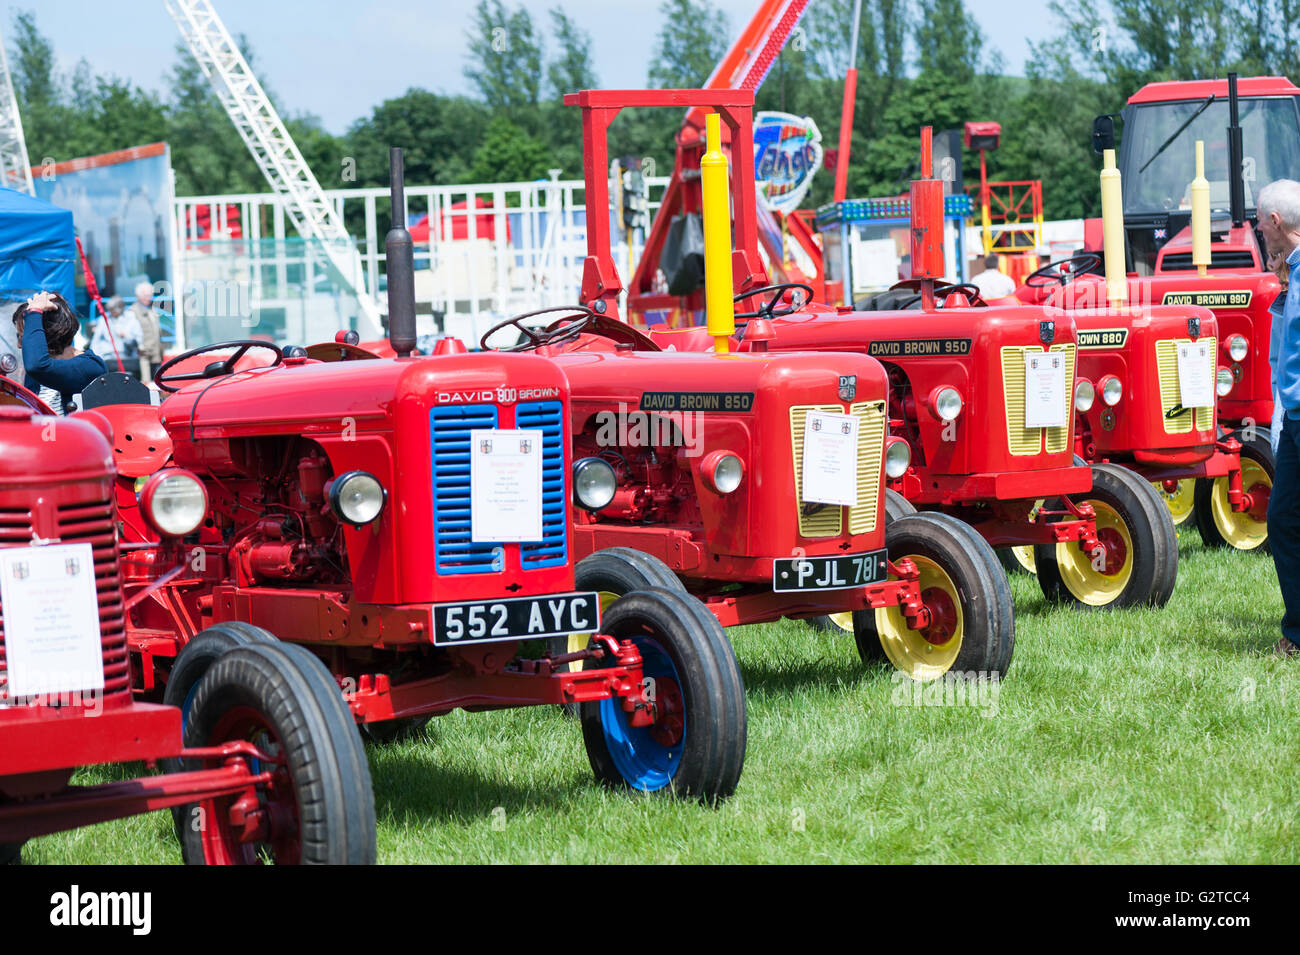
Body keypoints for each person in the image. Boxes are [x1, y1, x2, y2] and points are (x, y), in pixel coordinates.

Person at [1256, 178, 1300, 658]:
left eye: (1260, 222)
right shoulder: (1294, 271)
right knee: (1285, 519)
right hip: (1293, 415)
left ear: (1274, 222)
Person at [13, 291, 106, 414]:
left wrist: (34, 312)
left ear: (44, 335)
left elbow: (37, 366)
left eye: (25, 338)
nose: (19, 345)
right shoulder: (34, 374)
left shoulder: (91, 366)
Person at [90, 295, 142, 373]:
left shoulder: (131, 318)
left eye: (113, 311)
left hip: (126, 356)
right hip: (108, 355)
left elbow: (138, 339)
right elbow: (96, 340)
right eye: (110, 310)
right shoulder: (103, 319)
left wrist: (126, 337)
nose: (111, 313)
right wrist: (94, 357)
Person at [130, 282, 163, 383]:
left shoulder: (152, 309)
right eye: (146, 295)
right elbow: (131, 333)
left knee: (157, 382)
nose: (149, 297)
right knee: (146, 383)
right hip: (143, 354)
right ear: (138, 296)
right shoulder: (133, 311)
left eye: (150, 295)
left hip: (156, 352)